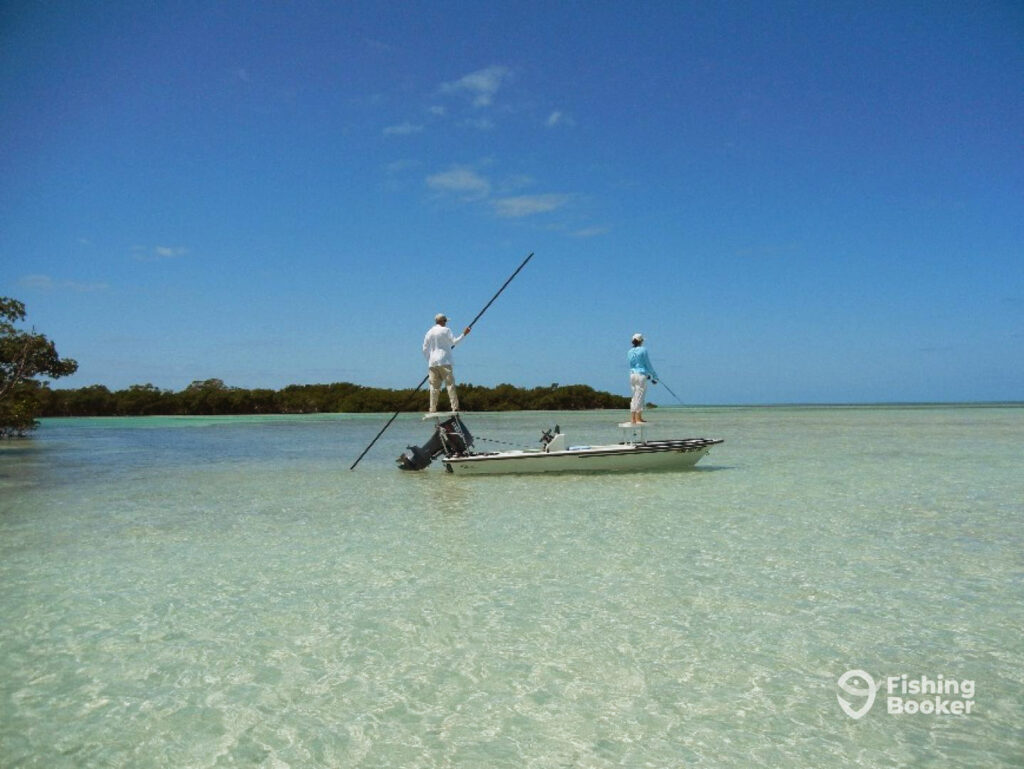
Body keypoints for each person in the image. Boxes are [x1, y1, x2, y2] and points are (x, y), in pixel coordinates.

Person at [423, 313, 471, 413]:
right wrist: (464, 334)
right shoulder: (446, 330)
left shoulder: (429, 332)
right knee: (450, 385)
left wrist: (430, 359)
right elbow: (455, 342)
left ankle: (432, 408)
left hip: (432, 363)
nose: (445, 323)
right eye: (445, 321)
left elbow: (424, 349)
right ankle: (455, 407)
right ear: (441, 321)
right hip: (445, 361)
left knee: (434, 388)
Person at [628, 332, 658, 424]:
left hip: (632, 375)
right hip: (641, 376)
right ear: (641, 341)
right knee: (640, 396)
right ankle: (638, 418)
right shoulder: (643, 350)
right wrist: (654, 376)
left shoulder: (629, 351)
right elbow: (647, 363)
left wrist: (647, 374)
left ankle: (633, 418)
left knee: (634, 396)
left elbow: (632, 365)